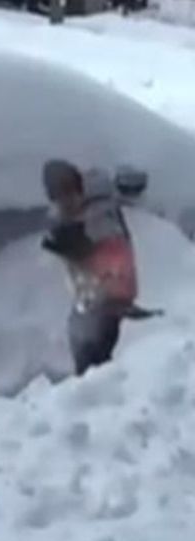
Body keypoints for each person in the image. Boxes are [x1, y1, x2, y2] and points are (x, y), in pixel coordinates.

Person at [41, 159, 159, 377]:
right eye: (57, 197)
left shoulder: (99, 214)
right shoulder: (69, 216)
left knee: (98, 367)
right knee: (84, 350)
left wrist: (82, 254)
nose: (63, 202)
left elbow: (115, 260)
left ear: (78, 189)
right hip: (91, 302)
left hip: (110, 303)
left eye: (67, 194)